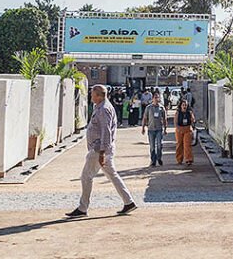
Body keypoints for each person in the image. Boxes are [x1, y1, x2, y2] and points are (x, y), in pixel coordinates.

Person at [66, 85, 136, 218]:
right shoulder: (102, 107)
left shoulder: (104, 109)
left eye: (92, 94)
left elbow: (106, 131)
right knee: (112, 175)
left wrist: (102, 152)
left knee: (86, 177)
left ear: (99, 95)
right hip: (101, 149)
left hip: (99, 150)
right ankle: (128, 201)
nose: (91, 96)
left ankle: (82, 207)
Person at [142, 92, 167, 167]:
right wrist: (143, 127)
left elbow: (165, 119)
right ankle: (153, 160)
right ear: (152, 99)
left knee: (159, 145)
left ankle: (159, 158)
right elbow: (145, 118)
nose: (156, 99)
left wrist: (165, 128)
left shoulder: (161, 108)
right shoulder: (148, 108)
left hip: (159, 129)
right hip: (151, 129)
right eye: (155, 98)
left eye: (157, 98)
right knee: (152, 146)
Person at [174, 99, 196, 166]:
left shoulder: (189, 112)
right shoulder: (177, 112)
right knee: (179, 144)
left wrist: (192, 127)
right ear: (180, 106)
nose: (184, 106)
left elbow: (193, 120)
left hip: (187, 129)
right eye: (183, 105)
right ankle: (179, 159)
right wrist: (178, 128)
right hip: (179, 129)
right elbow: (175, 122)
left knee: (187, 145)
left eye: (185, 105)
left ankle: (189, 159)